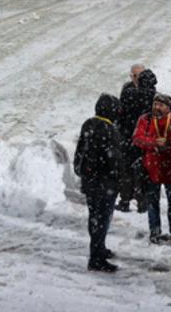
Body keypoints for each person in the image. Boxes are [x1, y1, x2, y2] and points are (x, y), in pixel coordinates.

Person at [73, 93, 123, 273]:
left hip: (90, 181)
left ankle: (99, 248)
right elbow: (114, 160)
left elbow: (80, 151)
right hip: (105, 183)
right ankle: (96, 258)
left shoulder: (88, 124)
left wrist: (80, 170)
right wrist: (120, 179)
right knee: (102, 219)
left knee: (94, 217)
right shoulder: (110, 130)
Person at [132, 93, 171, 244]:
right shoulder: (145, 119)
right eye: (155, 104)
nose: (156, 107)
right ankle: (154, 231)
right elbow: (137, 138)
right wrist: (154, 143)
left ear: (169, 108)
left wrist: (168, 144)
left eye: (161, 105)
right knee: (152, 202)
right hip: (151, 168)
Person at [115, 66, 157, 213]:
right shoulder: (155, 97)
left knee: (131, 170)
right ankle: (137, 201)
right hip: (141, 138)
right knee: (137, 171)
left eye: (136, 76)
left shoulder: (129, 93)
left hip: (132, 137)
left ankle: (131, 200)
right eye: (133, 75)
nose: (134, 79)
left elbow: (121, 113)